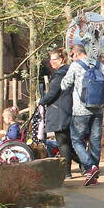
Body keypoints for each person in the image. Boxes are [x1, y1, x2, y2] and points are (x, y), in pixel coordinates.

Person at [61, 44, 104, 186]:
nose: (71, 58)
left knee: (76, 140)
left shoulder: (75, 66)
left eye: (71, 56)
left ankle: (90, 167)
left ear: (75, 54)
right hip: (98, 109)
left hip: (81, 110)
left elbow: (64, 85)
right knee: (95, 141)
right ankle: (93, 175)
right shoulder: (100, 65)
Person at [39, 47, 76, 179]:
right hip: (67, 109)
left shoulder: (61, 74)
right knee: (69, 141)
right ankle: (86, 165)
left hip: (61, 110)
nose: (51, 62)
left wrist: (41, 101)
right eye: (50, 59)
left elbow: (53, 93)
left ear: (61, 59)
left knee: (63, 142)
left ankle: (67, 171)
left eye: (53, 59)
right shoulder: (68, 71)